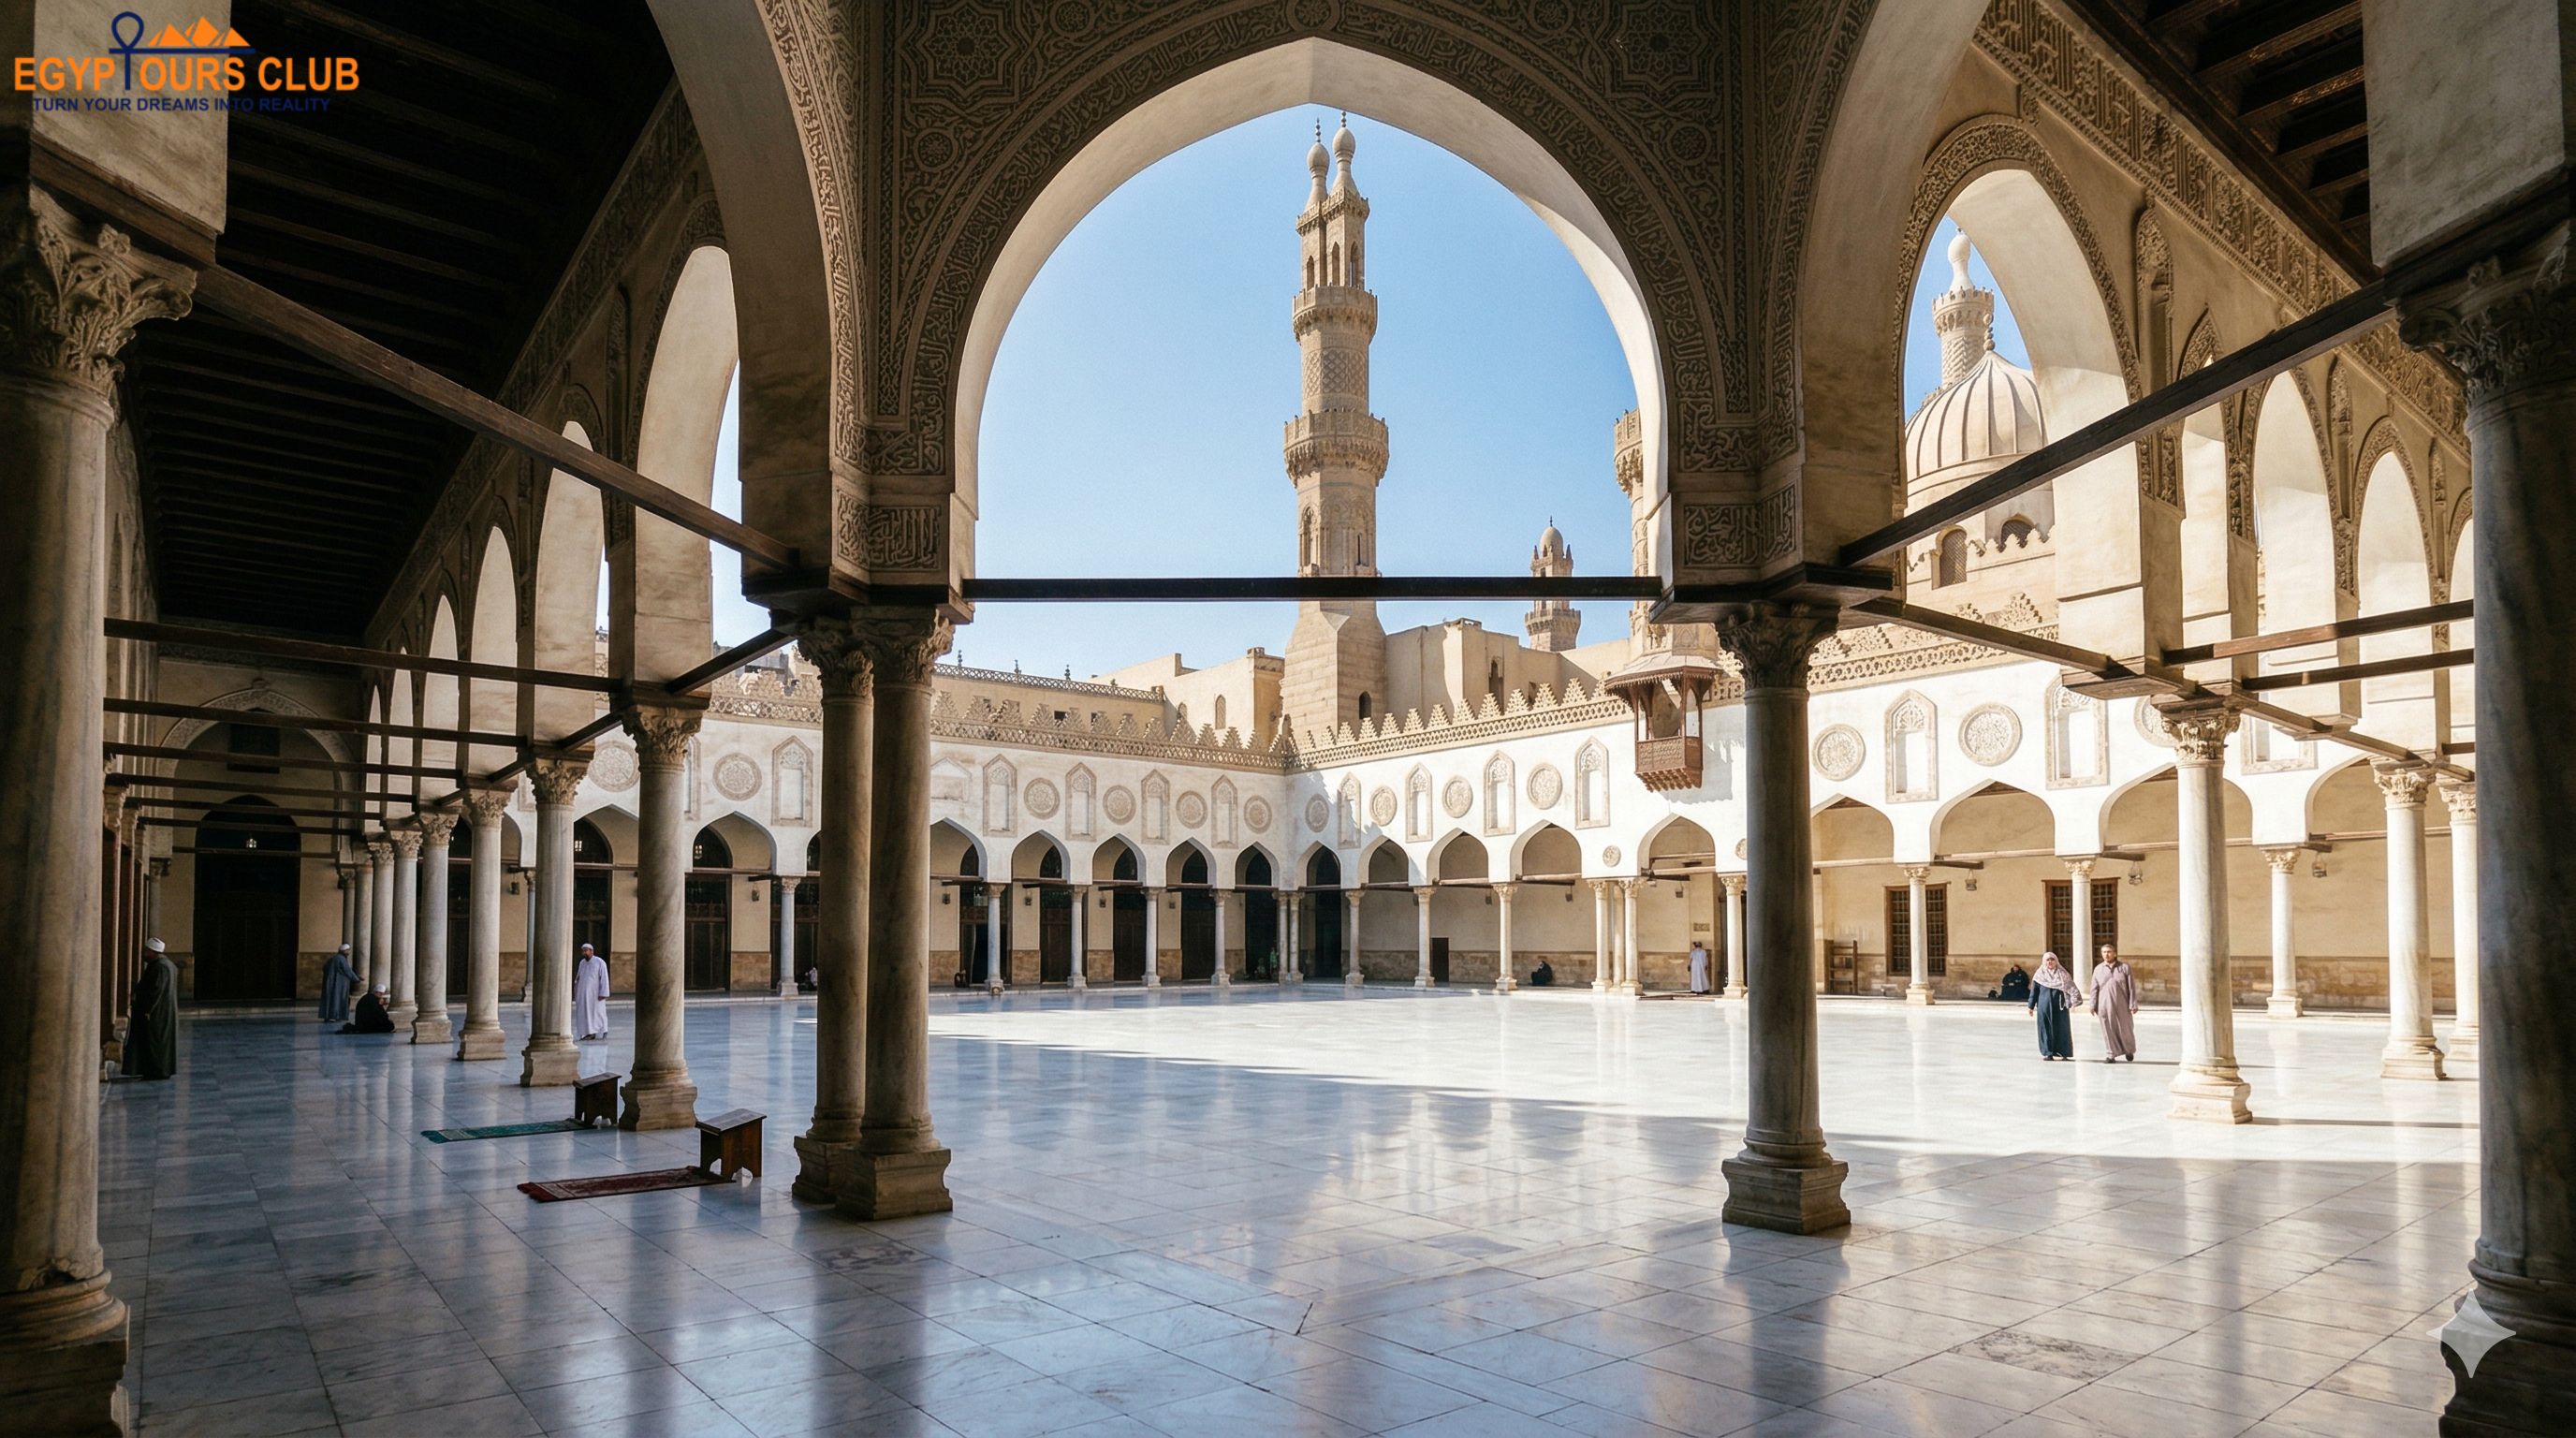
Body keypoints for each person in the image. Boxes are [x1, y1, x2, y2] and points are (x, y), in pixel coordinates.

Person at [121, 937, 180, 1079]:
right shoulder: (166, 965)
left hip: (157, 1013)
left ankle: (157, 1071)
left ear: (153, 952)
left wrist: (148, 1010)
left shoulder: (160, 966)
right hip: (161, 1011)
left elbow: (156, 991)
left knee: (155, 1043)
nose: (144, 954)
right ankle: (155, 1070)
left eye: (146, 951)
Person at [2090, 946, 2139, 1063]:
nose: (2106, 954)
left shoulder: (2124, 968)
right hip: (2105, 1004)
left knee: (2125, 1028)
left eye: (2109, 952)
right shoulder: (2098, 969)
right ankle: (2111, 1054)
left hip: (2122, 1004)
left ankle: (2129, 1050)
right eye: (2104, 952)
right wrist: (2092, 1004)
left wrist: (2133, 1004)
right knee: (2108, 1029)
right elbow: (2094, 988)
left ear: (2115, 954)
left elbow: (2131, 987)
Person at [2027, 950, 2079, 1061]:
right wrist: (2030, 1006)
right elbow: (2034, 992)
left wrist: (2074, 1002)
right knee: (2045, 1029)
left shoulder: (2063, 974)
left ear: (2056, 961)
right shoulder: (2039, 975)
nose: (2050, 962)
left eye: (2052, 959)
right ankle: (2048, 1052)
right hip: (2044, 1007)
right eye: (2048, 960)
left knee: (2062, 1028)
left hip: (2060, 1006)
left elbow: (2072, 988)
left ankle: (2064, 1052)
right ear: (2044, 962)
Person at [575, 943, 610, 1040]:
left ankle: (603, 1030)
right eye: (583, 951)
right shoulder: (582, 963)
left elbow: (604, 978)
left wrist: (603, 993)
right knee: (586, 1014)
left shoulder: (599, 962)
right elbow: (578, 977)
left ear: (591, 951)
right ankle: (589, 1033)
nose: (584, 953)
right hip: (584, 994)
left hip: (595, 994)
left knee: (598, 1013)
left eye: (586, 950)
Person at [318, 943, 359, 1023]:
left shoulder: (333, 958)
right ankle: (334, 1016)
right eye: (347, 951)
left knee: (330, 999)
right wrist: (356, 979)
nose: (348, 953)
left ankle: (328, 1016)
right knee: (337, 999)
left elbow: (324, 968)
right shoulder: (341, 959)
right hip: (339, 984)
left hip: (331, 983)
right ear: (344, 951)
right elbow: (347, 971)